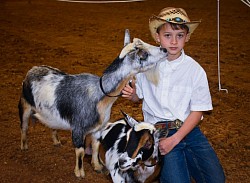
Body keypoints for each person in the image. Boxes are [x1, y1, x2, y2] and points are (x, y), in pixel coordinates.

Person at [122, 7, 225, 183]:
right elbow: (138, 96)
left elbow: (198, 111)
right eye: (168, 35)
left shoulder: (195, 70)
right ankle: (172, 166)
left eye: (179, 35)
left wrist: (176, 139)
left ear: (187, 37)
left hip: (189, 131)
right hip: (160, 132)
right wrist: (132, 94)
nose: (174, 41)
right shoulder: (147, 65)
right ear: (158, 37)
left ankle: (180, 161)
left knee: (217, 180)